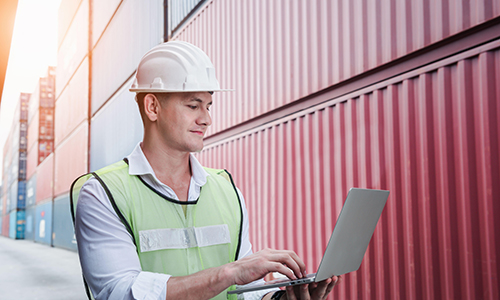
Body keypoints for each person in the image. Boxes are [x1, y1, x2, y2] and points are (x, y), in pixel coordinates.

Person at [71, 41, 342, 300]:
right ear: (152, 106)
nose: (207, 119)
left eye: (208, 105)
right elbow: (121, 292)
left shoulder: (227, 189)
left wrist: (280, 299)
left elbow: (249, 291)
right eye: (193, 105)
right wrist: (228, 273)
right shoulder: (103, 193)